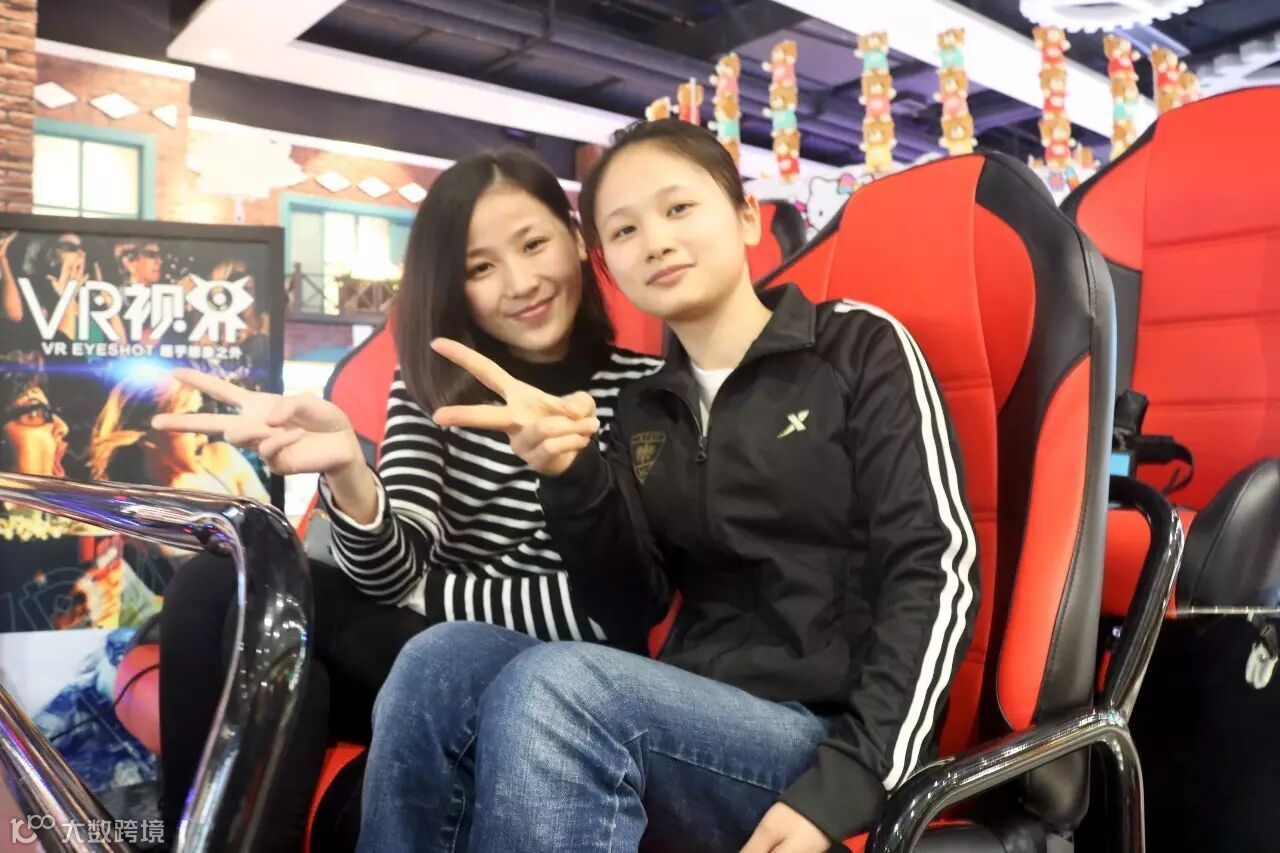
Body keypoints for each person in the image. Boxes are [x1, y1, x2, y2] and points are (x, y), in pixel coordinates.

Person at [360, 119, 979, 852]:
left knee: (560, 686)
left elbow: (935, 564)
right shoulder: (644, 408)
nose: (654, 241)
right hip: (692, 714)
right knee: (442, 658)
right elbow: (632, 602)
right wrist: (570, 476)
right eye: (625, 230)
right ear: (607, 263)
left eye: (679, 208)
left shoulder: (855, 346)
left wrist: (851, 778)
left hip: (828, 735)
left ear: (746, 217)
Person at [149, 148, 662, 851]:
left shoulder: (644, 392)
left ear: (576, 237)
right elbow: (391, 573)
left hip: (547, 673)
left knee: (301, 647)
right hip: (418, 650)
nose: (520, 283)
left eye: (533, 244)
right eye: (480, 268)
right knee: (224, 584)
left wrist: (428, 590)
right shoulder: (434, 385)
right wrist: (350, 478)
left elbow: (605, 612)